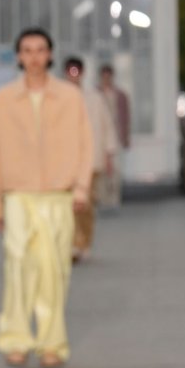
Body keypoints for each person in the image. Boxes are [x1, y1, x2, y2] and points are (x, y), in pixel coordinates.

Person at [0, 28, 93, 368]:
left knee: (55, 270)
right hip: (18, 194)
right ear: (18, 56)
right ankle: (15, 339)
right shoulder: (3, 98)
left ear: (50, 54)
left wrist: (81, 188)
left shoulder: (70, 97)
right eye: (27, 50)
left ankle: (52, 343)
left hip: (59, 195)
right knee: (17, 266)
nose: (33, 56)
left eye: (40, 49)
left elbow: (85, 144)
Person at [63, 57, 118, 262]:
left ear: (83, 73)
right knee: (68, 205)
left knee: (86, 204)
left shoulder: (94, 98)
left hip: (90, 160)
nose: (74, 75)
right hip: (65, 162)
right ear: (66, 73)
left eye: (77, 71)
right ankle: (72, 244)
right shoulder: (57, 98)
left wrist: (109, 154)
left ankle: (84, 242)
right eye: (70, 71)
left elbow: (107, 125)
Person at [98, 64, 131, 206]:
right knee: (101, 168)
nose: (106, 79)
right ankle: (103, 197)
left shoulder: (120, 95)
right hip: (99, 136)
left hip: (116, 135)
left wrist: (126, 136)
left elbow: (126, 117)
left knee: (116, 168)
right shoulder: (96, 94)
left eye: (108, 76)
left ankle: (114, 198)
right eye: (104, 76)